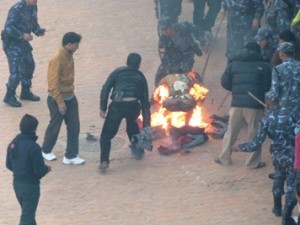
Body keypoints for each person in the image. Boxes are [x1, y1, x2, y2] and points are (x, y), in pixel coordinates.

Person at [233, 103, 300, 225]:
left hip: (277, 156)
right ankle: (286, 216)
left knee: (278, 179)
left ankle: (277, 208)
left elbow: (255, 144)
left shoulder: (266, 119)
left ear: (268, 104)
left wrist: (239, 147)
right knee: (291, 186)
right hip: (292, 156)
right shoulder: (294, 114)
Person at [214, 42, 272, 169]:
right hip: (255, 105)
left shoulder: (233, 64)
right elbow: (268, 86)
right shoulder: (264, 66)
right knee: (254, 133)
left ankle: (224, 158)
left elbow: (225, 82)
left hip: (236, 104)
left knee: (231, 132)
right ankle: (252, 163)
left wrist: (235, 88)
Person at [99, 53, 151, 170]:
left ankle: (104, 161)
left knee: (106, 136)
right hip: (133, 106)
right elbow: (144, 101)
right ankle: (138, 151)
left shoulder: (118, 72)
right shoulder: (141, 76)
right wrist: (147, 123)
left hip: (117, 106)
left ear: (126, 62)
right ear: (139, 65)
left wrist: (103, 107)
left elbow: (105, 88)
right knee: (132, 126)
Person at [41, 32, 85, 165]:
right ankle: (46, 150)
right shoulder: (58, 58)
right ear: (70, 44)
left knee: (74, 127)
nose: (78, 47)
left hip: (70, 96)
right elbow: (53, 84)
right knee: (55, 126)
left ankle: (70, 155)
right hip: (57, 99)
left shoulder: (69, 55)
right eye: (76, 45)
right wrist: (60, 103)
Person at [6, 114, 51, 225]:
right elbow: (39, 170)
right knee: (27, 218)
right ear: (33, 129)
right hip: (30, 186)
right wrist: (47, 169)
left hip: (17, 184)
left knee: (28, 214)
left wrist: (20, 171)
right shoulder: (34, 147)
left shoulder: (13, 143)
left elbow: (8, 165)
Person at [1, 0, 46, 107]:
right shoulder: (17, 8)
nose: (36, 0)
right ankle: (9, 95)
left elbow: (33, 23)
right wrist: (22, 35)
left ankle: (25, 92)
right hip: (12, 43)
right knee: (17, 71)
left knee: (29, 65)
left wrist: (38, 31)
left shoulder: (33, 7)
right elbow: (8, 28)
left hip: (23, 43)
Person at [155, 16, 209, 86]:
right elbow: (163, 57)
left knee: (185, 71)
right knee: (160, 74)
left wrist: (203, 43)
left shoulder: (182, 27)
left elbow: (195, 29)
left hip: (187, 53)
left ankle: (195, 80)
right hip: (174, 56)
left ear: (171, 26)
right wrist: (172, 68)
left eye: (166, 29)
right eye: (162, 30)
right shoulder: (163, 40)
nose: (165, 32)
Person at [266, 42, 300, 110]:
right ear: (293, 53)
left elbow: (274, 92)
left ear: (281, 54)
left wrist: (267, 98)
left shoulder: (277, 69)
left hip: (284, 109)